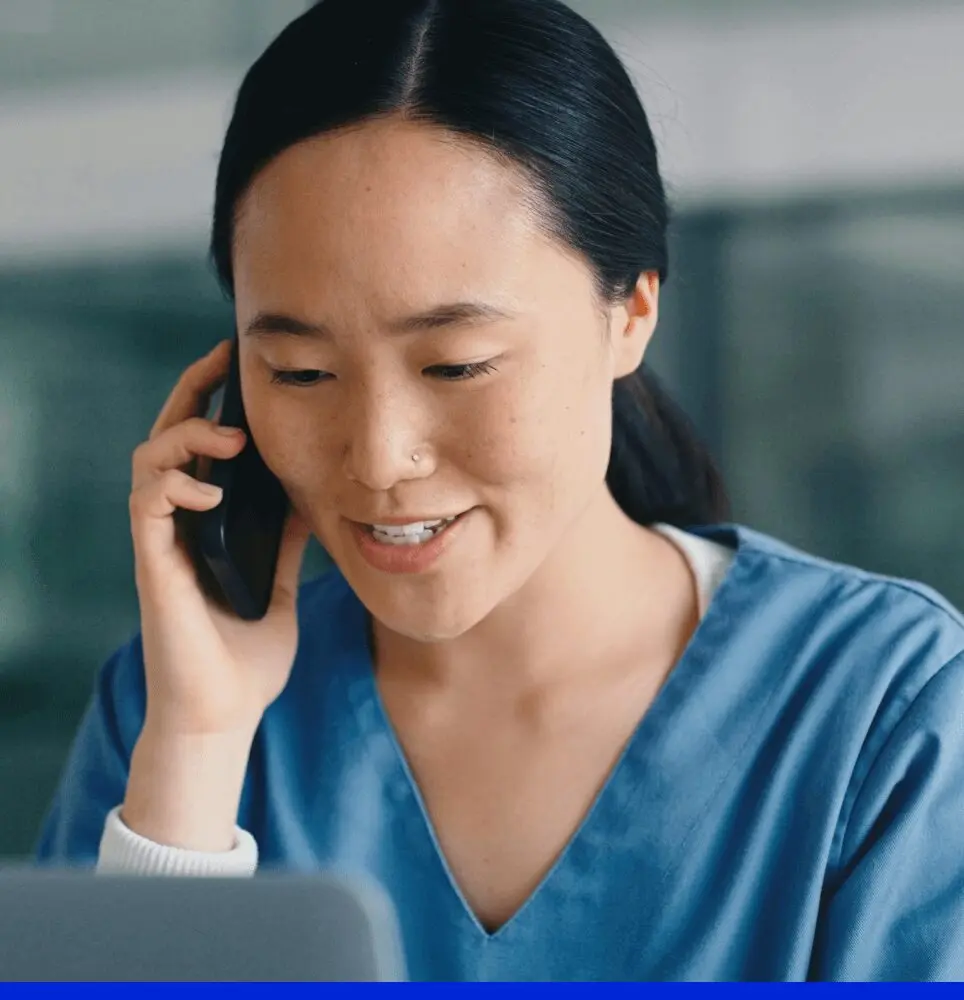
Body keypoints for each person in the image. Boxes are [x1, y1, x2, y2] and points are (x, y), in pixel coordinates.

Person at [34, 0, 964, 983]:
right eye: (301, 373)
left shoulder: (886, 713)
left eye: (457, 364)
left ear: (631, 311)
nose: (380, 457)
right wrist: (199, 748)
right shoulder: (172, 706)